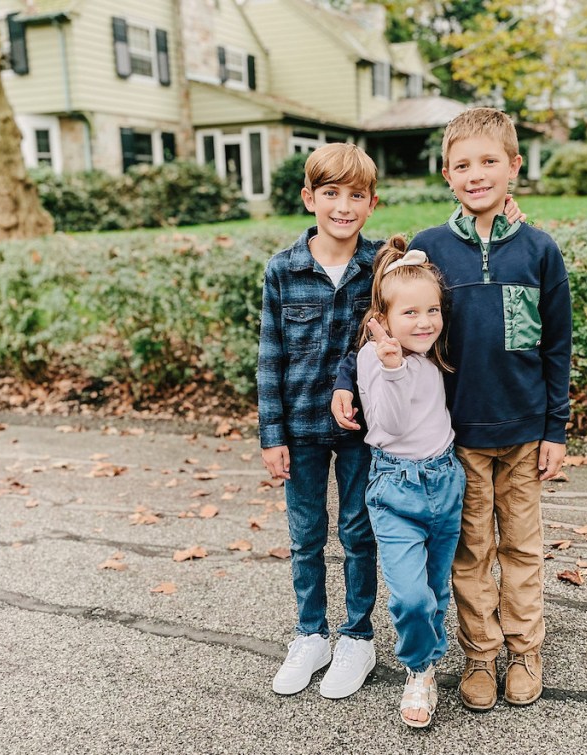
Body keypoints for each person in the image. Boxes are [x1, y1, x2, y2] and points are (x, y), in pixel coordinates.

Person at [332, 107, 573, 711]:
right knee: (471, 554)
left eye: (490, 161)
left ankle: (525, 652)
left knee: (521, 548)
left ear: (514, 167)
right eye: (463, 164)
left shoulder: (539, 250)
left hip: (522, 432)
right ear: (446, 174)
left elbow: (557, 346)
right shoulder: (430, 248)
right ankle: (479, 656)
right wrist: (346, 377)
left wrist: (556, 427)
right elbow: (381, 317)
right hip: (456, 438)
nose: (477, 174)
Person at [258, 142, 381, 699]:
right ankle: (311, 634)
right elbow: (270, 357)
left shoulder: (379, 266)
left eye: (356, 195)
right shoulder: (283, 270)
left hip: (362, 428)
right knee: (306, 536)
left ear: (371, 203)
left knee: (358, 532)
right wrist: (271, 434)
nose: (343, 206)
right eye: (330, 193)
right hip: (300, 428)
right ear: (310, 198)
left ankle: (357, 636)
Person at [355, 235, 465, 728]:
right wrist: (393, 368)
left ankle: (425, 669)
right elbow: (389, 427)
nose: (424, 322)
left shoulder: (434, 353)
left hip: (445, 482)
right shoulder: (373, 360)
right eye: (410, 314)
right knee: (410, 596)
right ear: (382, 316)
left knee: (436, 588)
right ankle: (418, 665)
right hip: (395, 489)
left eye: (432, 311)